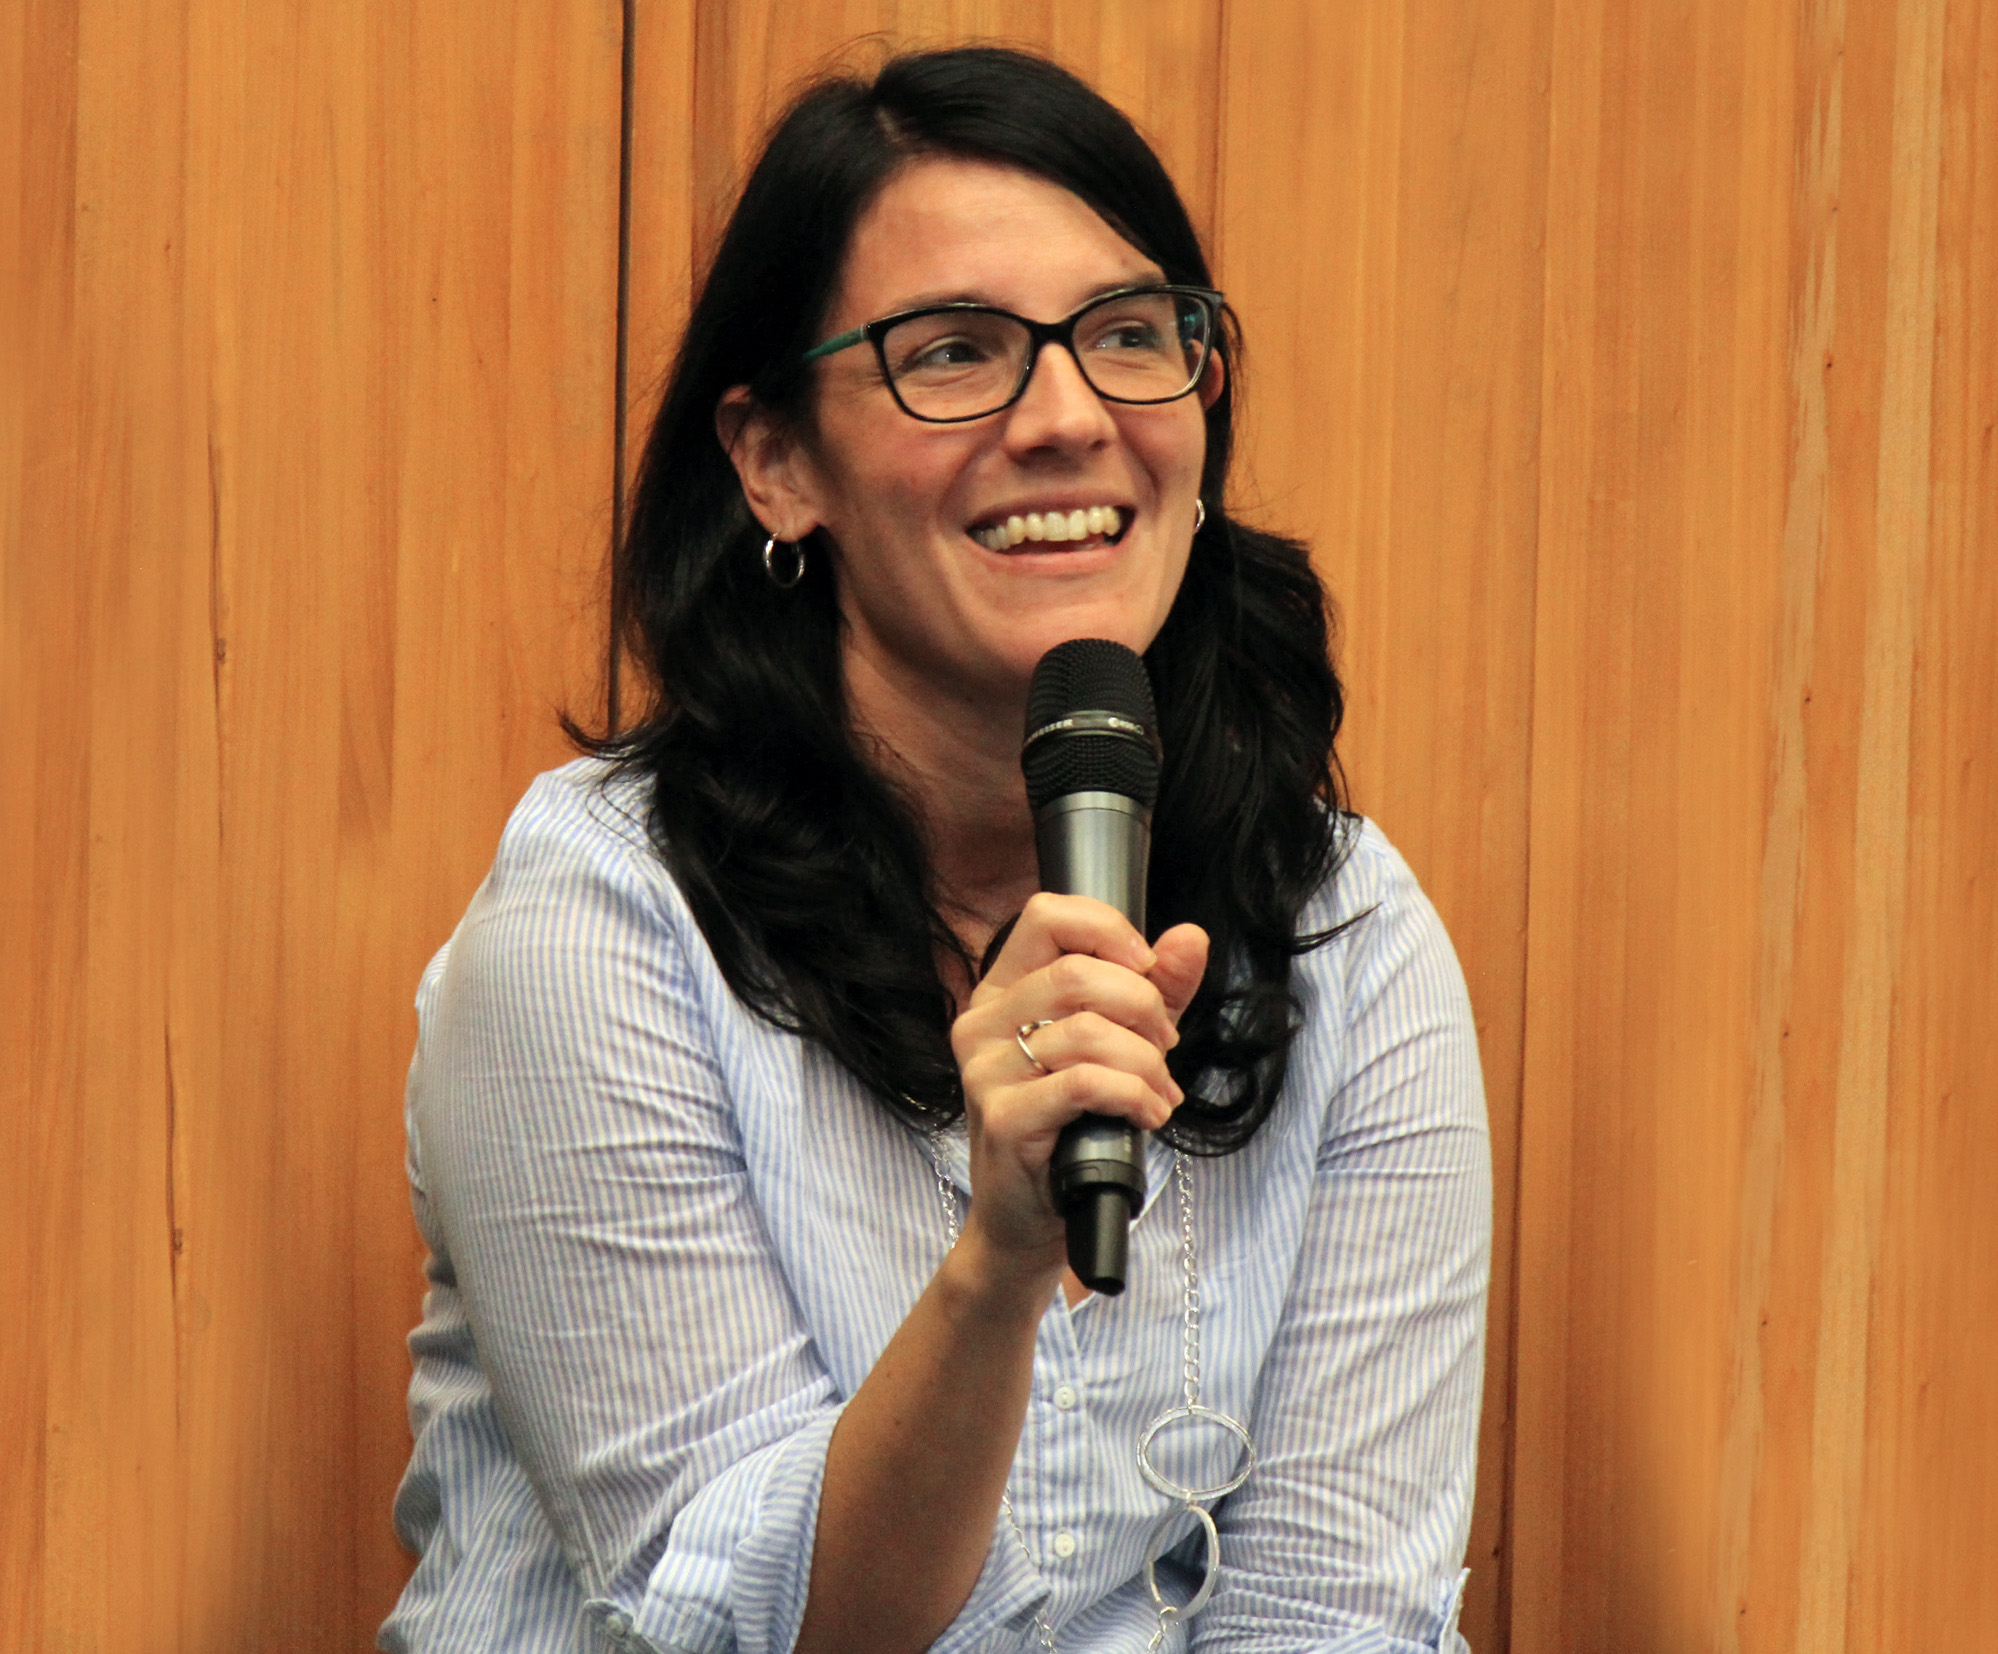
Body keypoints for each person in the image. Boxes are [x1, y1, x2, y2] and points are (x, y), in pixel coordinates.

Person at [380, 46, 1489, 1654]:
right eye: (955, 353)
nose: (1069, 419)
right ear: (775, 462)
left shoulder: (1340, 933)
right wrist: (998, 1266)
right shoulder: (599, 930)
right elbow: (744, 1628)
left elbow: (1338, 1618)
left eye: (1128, 335)